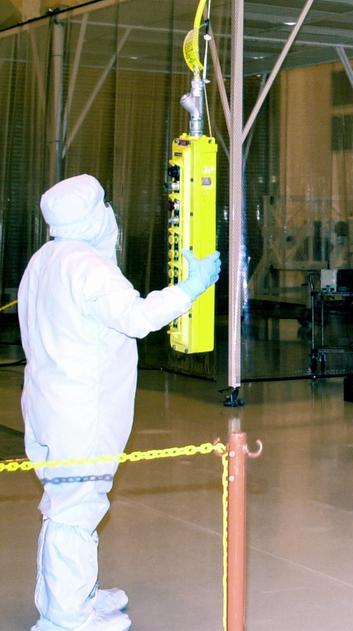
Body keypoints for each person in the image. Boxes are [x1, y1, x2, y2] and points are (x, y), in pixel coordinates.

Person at [19, 174, 221, 631]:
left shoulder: (43, 260)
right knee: (76, 509)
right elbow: (138, 317)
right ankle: (69, 619)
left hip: (48, 406)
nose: (111, 212)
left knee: (65, 503)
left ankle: (70, 597)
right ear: (92, 216)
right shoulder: (87, 267)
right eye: (104, 204)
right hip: (80, 412)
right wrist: (191, 288)